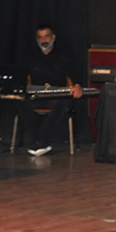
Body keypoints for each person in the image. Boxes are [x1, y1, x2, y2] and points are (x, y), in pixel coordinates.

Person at [19, 24, 84, 157]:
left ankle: (42, 141)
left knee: (60, 103)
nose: (44, 40)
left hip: (57, 96)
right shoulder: (30, 57)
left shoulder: (64, 55)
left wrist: (77, 85)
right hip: (37, 96)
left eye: (46, 36)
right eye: (40, 37)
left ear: (53, 37)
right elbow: (21, 76)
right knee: (21, 103)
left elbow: (75, 74)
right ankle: (38, 140)